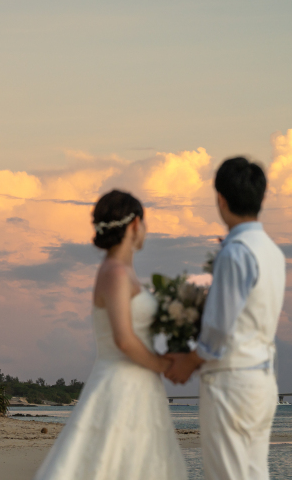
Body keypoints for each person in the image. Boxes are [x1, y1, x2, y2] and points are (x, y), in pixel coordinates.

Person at [33, 190, 187, 480]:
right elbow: (124, 339)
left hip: (140, 385)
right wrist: (167, 366)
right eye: (145, 223)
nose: (146, 231)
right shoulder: (115, 273)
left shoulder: (123, 273)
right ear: (134, 226)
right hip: (121, 385)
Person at [165, 157, 286, 480]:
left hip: (231, 383)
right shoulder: (273, 252)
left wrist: (189, 361)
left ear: (221, 198)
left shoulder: (235, 252)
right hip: (262, 380)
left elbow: (219, 326)